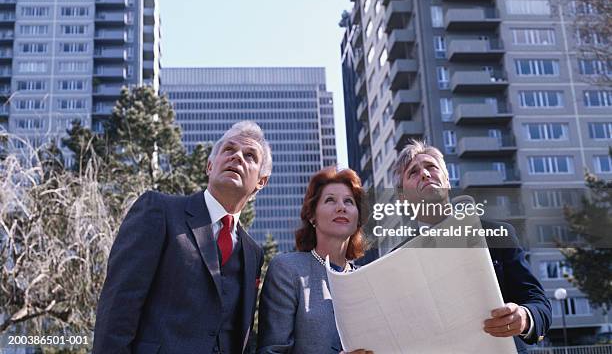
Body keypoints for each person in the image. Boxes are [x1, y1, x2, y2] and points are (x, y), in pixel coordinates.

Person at [93, 121, 272, 354]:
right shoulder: (159, 210)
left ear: (261, 181)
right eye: (229, 149)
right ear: (210, 165)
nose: (237, 156)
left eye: (250, 156)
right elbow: (118, 304)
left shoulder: (253, 253)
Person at [391, 139, 552, 353]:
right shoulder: (397, 261)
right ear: (403, 198)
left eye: (431, 167)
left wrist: (523, 316)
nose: (425, 174)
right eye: (413, 172)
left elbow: (538, 303)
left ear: (447, 180)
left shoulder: (497, 235)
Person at [257, 167, 372, 354]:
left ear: (358, 218)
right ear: (312, 216)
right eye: (330, 200)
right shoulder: (288, 270)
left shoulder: (368, 279)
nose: (341, 207)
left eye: (349, 202)